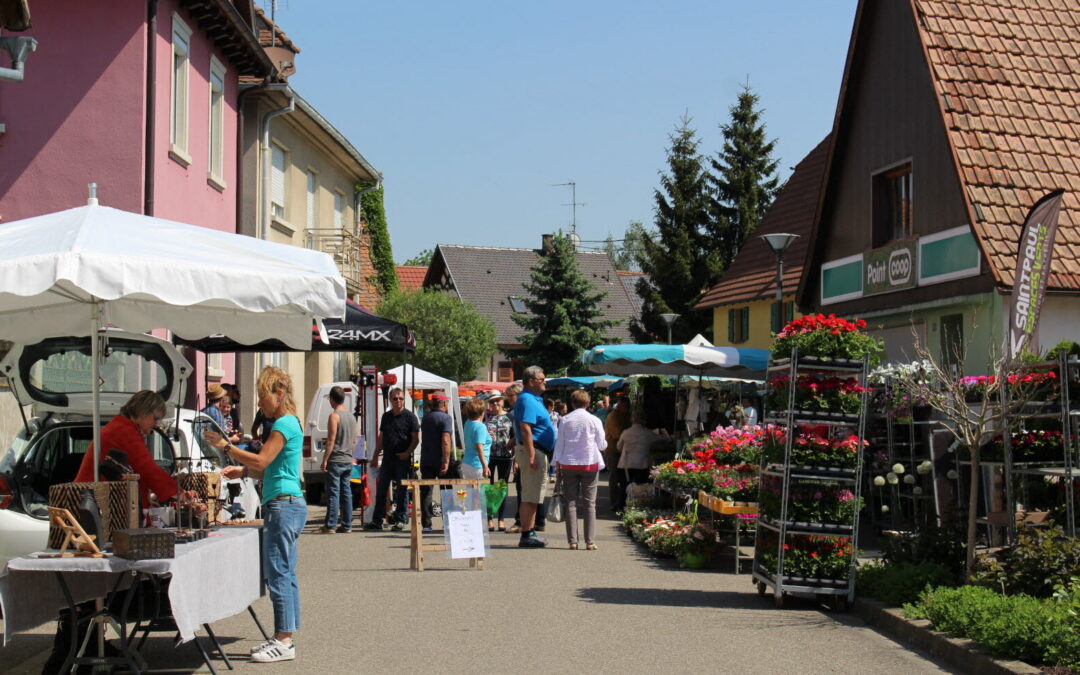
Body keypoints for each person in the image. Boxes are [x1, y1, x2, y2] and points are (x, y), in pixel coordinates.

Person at [205, 366, 306, 663]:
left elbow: (263, 461)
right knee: (284, 572)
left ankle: (284, 640)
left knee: (278, 572)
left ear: (279, 394)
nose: (260, 403)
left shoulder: (283, 424)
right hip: (287, 502)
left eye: (263, 397)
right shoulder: (288, 423)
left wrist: (226, 446)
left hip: (283, 505)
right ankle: (284, 636)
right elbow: (273, 468)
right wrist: (244, 471)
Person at [73, 390, 180, 512]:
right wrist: (178, 493)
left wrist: (143, 499)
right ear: (141, 412)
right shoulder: (124, 431)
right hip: (89, 502)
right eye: (155, 419)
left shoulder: (123, 427)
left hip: (91, 500)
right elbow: (147, 468)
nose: (156, 424)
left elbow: (137, 471)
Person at [552, 389, 606, 550]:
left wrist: (556, 462)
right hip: (590, 462)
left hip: (569, 463)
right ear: (588, 403)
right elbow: (602, 444)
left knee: (571, 503)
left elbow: (560, 443)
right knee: (590, 504)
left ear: (572, 403)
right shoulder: (594, 420)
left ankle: (573, 541)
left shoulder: (565, 420)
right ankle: (590, 541)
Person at [513, 366, 555, 548]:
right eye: (541, 379)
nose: (545, 382)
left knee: (533, 494)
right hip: (534, 450)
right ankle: (526, 534)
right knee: (530, 495)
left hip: (537, 450)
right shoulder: (527, 400)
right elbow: (525, 428)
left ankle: (530, 531)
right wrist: (531, 455)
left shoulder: (532, 399)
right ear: (530, 382)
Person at [366, 387, 419, 532]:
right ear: (390, 400)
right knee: (382, 490)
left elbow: (416, 439)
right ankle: (377, 520)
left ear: (404, 400)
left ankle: (400, 519)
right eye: (395, 399)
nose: (398, 401)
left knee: (402, 490)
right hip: (388, 459)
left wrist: (408, 453)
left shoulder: (410, 417)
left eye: (400, 398)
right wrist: (375, 456)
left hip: (402, 459)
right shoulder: (386, 416)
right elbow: (381, 438)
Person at [318, 386, 356, 534]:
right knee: (346, 492)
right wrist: (350, 455)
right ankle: (347, 524)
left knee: (334, 493)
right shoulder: (351, 416)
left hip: (336, 459)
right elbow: (354, 440)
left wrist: (324, 460)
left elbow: (330, 440)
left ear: (332, 399)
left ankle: (331, 525)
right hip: (347, 459)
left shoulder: (334, 416)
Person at [418, 394, 453, 531]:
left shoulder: (426, 418)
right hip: (440, 459)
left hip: (426, 458)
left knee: (426, 492)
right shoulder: (446, 418)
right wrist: (446, 460)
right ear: (444, 404)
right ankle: (448, 522)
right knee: (446, 490)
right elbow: (446, 440)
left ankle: (427, 524)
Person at [483, 391, 513, 531]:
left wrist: (516, 458)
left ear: (502, 401)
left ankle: (501, 519)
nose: (495, 403)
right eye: (492, 401)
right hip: (489, 456)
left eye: (497, 400)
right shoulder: (486, 417)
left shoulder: (510, 416)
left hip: (505, 456)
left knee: (502, 488)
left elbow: (514, 436)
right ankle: (490, 519)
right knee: (488, 488)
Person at [604, 397, 632, 512]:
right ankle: (614, 503)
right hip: (614, 450)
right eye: (627, 407)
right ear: (621, 406)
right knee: (614, 477)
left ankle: (621, 502)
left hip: (622, 450)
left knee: (623, 477)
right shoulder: (613, 416)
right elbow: (617, 434)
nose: (628, 409)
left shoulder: (625, 415)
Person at [618, 413, 661, 486]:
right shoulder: (647, 433)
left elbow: (619, 447)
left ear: (632, 420)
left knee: (625, 488)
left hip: (626, 464)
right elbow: (662, 439)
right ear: (644, 421)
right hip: (641, 465)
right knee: (641, 488)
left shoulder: (625, 432)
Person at [461, 397, 492, 481]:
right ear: (482, 412)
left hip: (467, 462)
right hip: (477, 464)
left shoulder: (468, 422)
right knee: (480, 489)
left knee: (470, 489)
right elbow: (479, 448)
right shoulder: (480, 426)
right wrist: (485, 466)